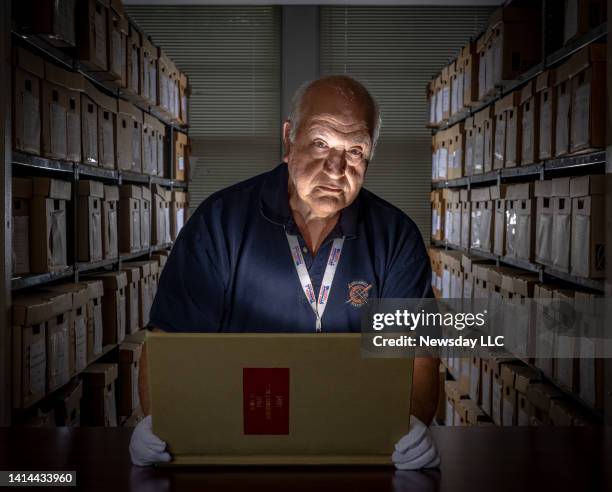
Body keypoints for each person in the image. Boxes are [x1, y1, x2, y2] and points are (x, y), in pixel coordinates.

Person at [130, 75, 440, 469]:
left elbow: (418, 357)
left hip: (356, 450)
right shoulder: (219, 222)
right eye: (321, 142)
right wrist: (160, 421)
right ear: (289, 138)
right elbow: (168, 339)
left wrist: (410, 424)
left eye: (356, 150)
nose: (336, 167)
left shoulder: (397, 237)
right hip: (233, 446)